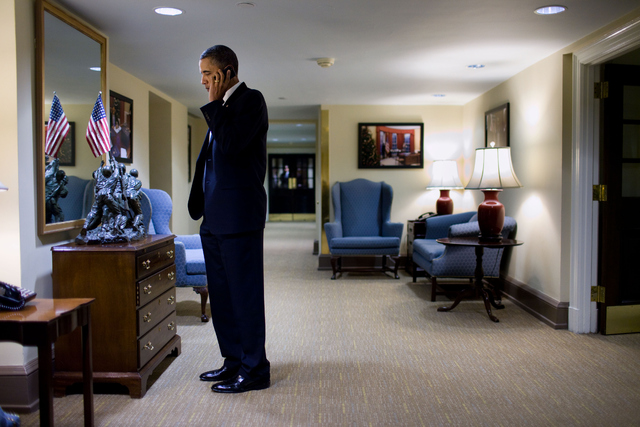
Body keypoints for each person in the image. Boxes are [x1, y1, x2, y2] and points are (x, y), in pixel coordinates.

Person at [188, 45, 270, 393]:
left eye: (208, 73)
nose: (203, 80)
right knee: (221, 296)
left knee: (244, 295)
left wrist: (215, 102)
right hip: (214, 219)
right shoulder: (219, 110)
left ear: (227, 72)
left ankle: (255, 370)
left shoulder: (251, 101)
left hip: (240, 219)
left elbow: (233, 146)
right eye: (203, 74)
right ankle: (233, 361)